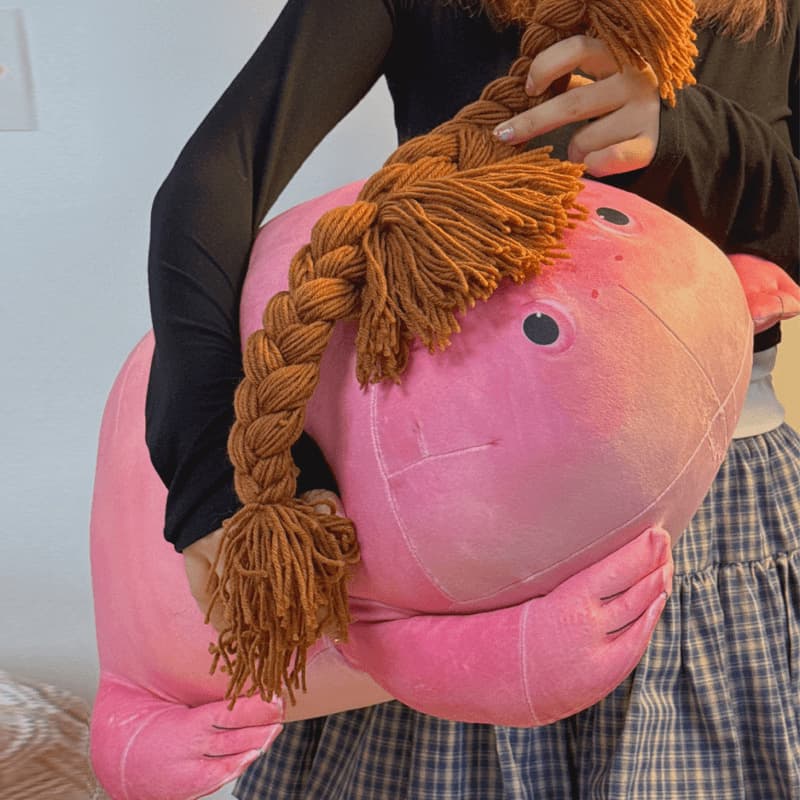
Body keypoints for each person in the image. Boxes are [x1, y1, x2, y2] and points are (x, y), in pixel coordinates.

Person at [145, 0, 799, 797]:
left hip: (717, 498)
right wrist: (215, 458)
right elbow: (214, 179)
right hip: (452, 500)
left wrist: (689, 133)